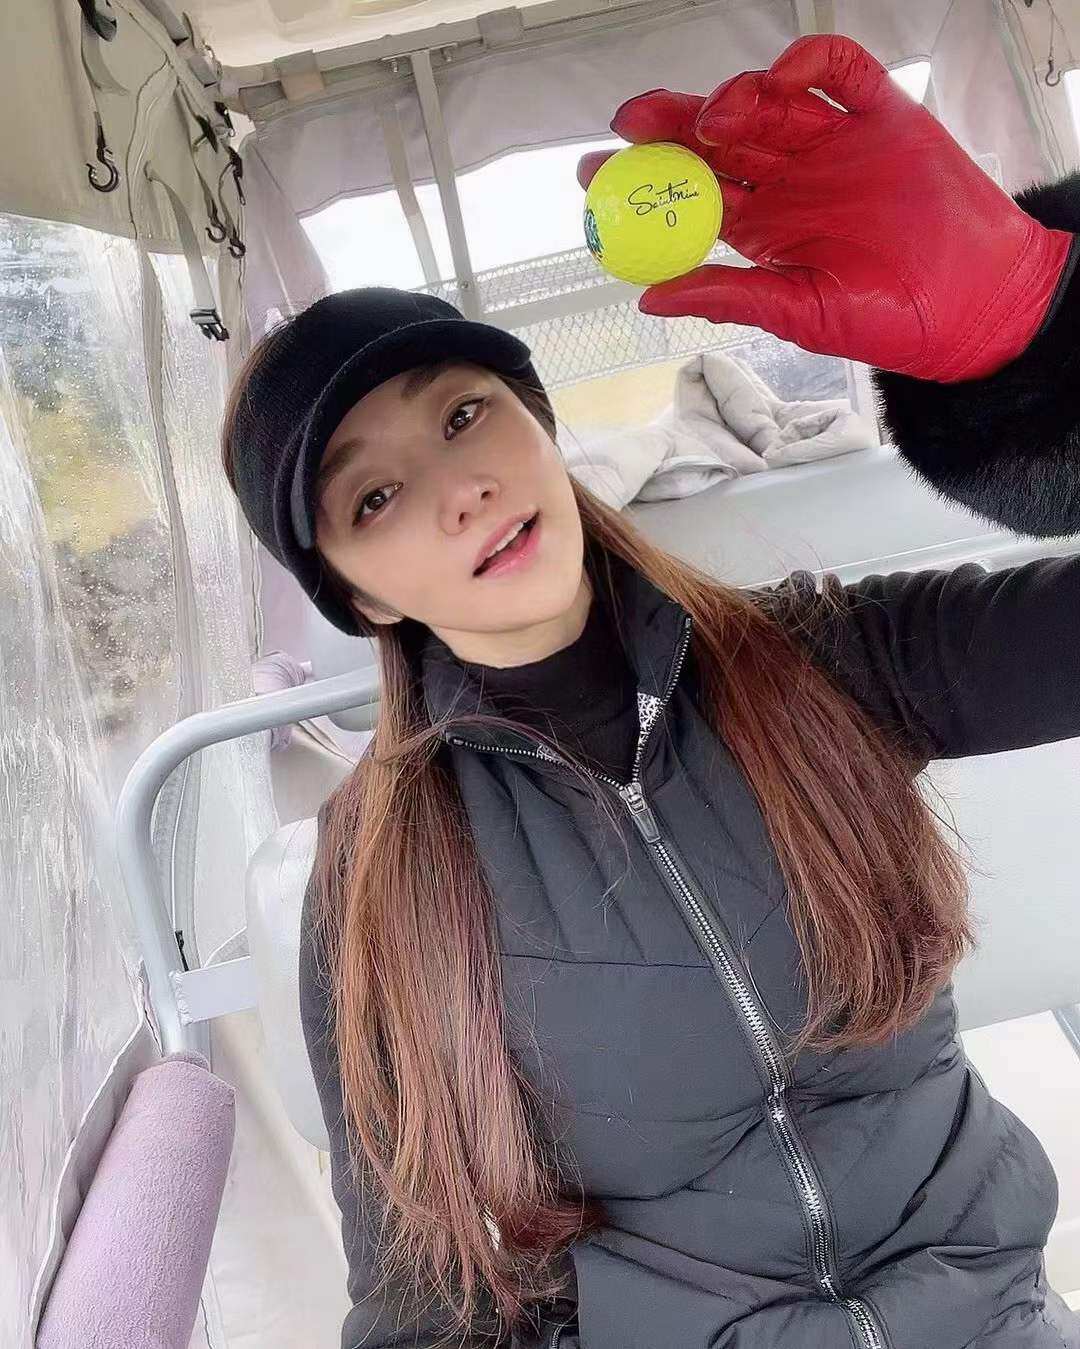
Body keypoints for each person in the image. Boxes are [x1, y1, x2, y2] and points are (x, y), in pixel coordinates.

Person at [220, 32, 1080, 1349]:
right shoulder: (383, 873)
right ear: (360, 595)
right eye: (375, 495)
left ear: (538, 421)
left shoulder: (819, 660)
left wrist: (1044, 326)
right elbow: (421, 1296)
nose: (460, 490)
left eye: (463, 414)